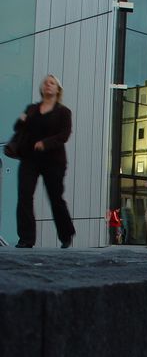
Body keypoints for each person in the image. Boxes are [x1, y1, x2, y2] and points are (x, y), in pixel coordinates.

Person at [15, 74, 75, 248]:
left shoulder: (63, 112)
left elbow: (64, 135)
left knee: (55, 198)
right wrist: (21, 120)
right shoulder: (31, 109)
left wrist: (45, 143)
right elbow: (18, 128)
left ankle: (66, 235)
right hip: (30, 158)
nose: (48, 85)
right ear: (41, 88)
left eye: (52, 83)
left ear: (58, 89)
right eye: (45, 83)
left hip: (53, 160)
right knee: (24, 196)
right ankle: (26, 239)